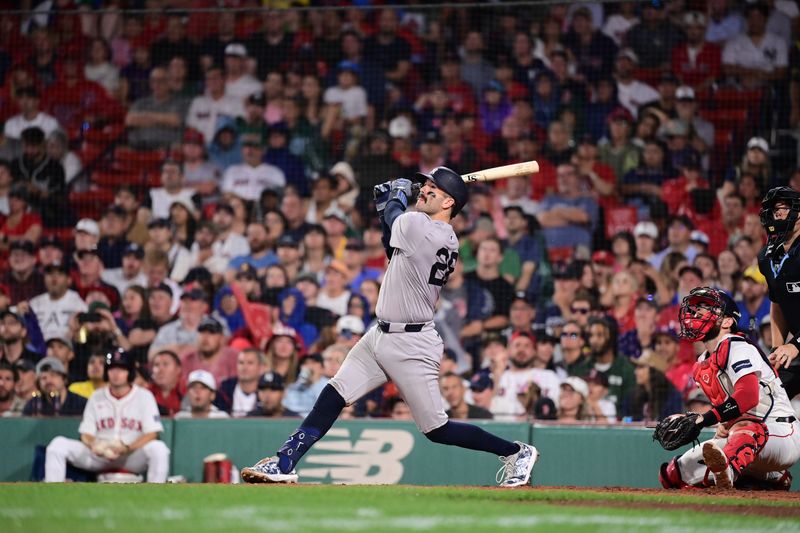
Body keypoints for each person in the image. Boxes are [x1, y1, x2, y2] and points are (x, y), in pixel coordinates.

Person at [242, 166, 538, 487]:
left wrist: (396, 193)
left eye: (432, 189)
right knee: (335, 392)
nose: (424, 190)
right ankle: (284, 461)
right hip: (380, 334)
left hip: (412, 344)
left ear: (449, 203)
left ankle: (515, 452)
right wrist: (390, 204)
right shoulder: (436, 234)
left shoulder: (423, 228)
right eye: (424, 185)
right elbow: (391, 244)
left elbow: (399, 217)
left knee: (437, 429)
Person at [659, 287, 800, 490]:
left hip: (780, 432)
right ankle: (767, 476)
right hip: (744, 438)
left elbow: (748, 397)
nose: (697, 313)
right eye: (697, 308)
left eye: (707, 308)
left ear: (727, 321)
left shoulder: (737, 345)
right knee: (673, 474)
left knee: (746, 428)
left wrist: (703, 419)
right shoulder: (701, 365)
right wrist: (720, 425)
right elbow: (729, 411)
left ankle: (750, 473)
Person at [44, 350, 170, 482]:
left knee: (159, 449)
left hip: (130, 456)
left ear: (130, 372)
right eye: (112, 369)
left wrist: (127, 448)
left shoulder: (144, 396)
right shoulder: (96, 396)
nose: (116, 374)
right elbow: (85, 434)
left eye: (121, 369)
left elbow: (152, 434)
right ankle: (53, 493)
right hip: (99, 456)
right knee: (57, 445)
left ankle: (156, 495)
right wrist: (95, 444)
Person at [757, 187, 800, 402]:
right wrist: (776, 349)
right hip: (797, 348)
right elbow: (777, 303)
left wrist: (795, 345)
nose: (778, 214)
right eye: (775, 210)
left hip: (798, 345)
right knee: (766, 396)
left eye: (784, 208)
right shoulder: (767, 256)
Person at [215, 348, 266, 417]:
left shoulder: (267, 391)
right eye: (241, 363)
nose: (244, 367)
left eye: (250, 363)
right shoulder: (224, 391)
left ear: (261, 368)